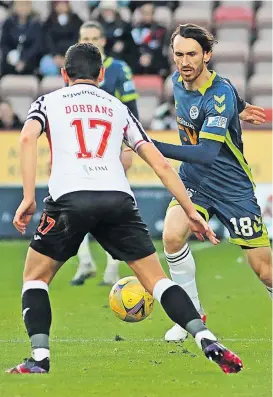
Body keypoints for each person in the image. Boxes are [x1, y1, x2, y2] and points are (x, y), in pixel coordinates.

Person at [8, 42, 242, 375]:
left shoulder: (48, 101)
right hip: (118, 198)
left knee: (35, 278)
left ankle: (40, 358)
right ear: (101, 75)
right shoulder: (117, 107)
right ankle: (205, 337)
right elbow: (159, 164)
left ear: (64, 75)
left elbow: (28, 138)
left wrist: (28, 196)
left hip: (69, 198)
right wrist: (191, 211)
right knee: (157, 281)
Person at [152, 24, 272, 342]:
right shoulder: (177, 81)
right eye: (178, 54)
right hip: (195, 182)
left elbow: (206, 153)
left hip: (234, 188)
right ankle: (190, 316)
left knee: (265, 270)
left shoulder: (217, 94)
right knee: (172, 236)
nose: (184, 61)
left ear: (207, 55)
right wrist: (243, 108)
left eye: (192, 54)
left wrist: (148, 145)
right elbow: (232, 93)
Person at [70, 20, 139, 287]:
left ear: (104, 41)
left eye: (95, 37)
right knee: (73, 206)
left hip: (111, 148)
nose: (90, 42)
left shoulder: (119, 69)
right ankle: (85, 262)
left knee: (113, 208)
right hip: (80, 150)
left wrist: (128, 147)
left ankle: (112, 269)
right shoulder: (73, 69)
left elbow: (131, 110)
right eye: (85, 37)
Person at [40, 0, 82, 76]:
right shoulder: (49, 21)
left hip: (72, 55)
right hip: (54, 56)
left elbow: (78, 39)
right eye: (58, 4)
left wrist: (67, 57)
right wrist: (55, 55)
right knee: (46, 64)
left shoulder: (76, 20)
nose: (61, 6)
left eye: (64, 3)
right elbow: (47, 40)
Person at [0, 0, 43, 76]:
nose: (23, 8)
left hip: (30, 61)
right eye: (20, 5)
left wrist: (23, 59)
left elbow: (37, 45)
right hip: (10, 61)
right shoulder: (8, 23)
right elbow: (3, 43)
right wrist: (10, 56)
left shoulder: (36, 24)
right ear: (15, 7)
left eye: (26, 5)